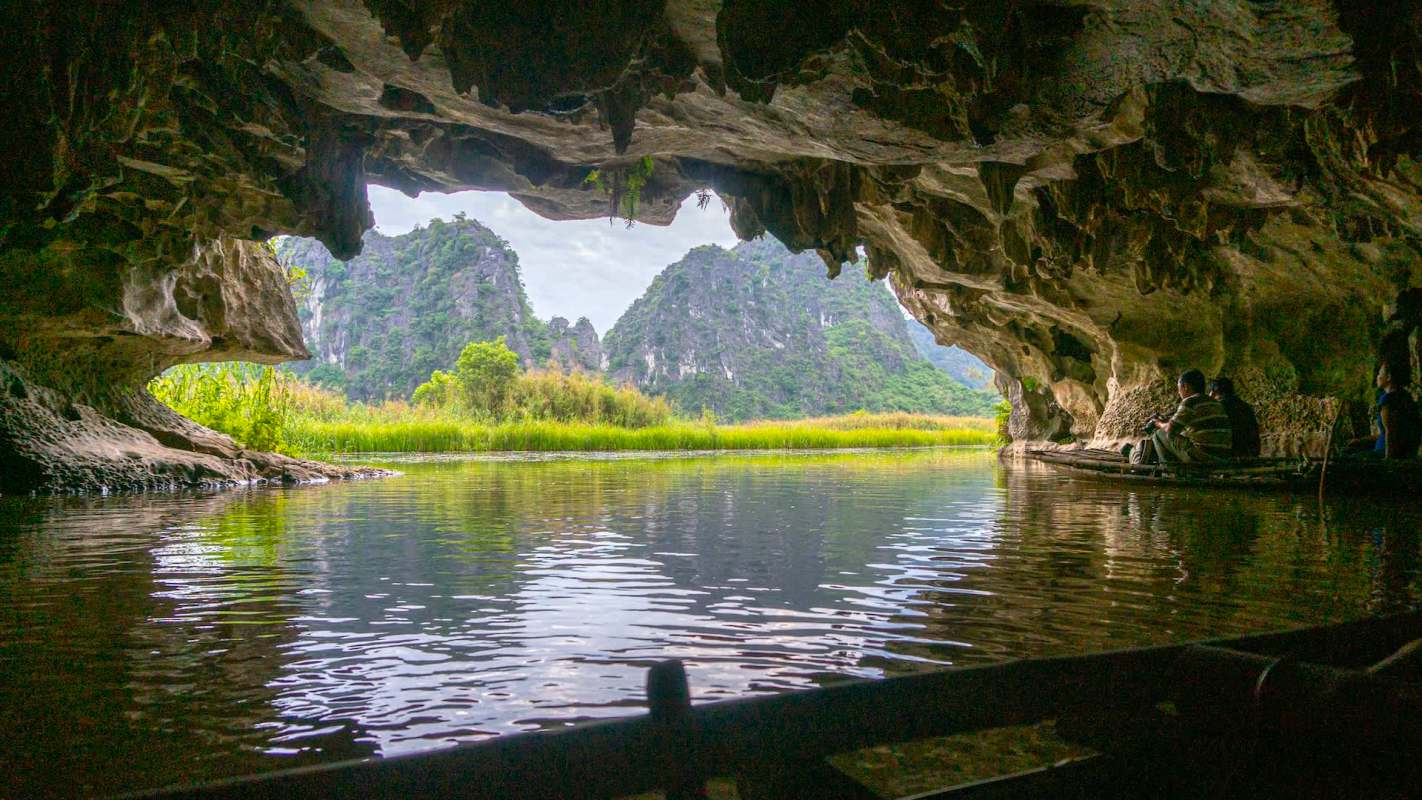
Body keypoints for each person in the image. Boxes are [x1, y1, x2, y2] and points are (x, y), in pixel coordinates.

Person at [1140, 369, 1234, 464]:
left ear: (1185, 386)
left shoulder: (1190, 401)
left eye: (1179, 388)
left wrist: (1158, 423)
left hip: (1203, 457)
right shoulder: (1215, 403)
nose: (1179, 392)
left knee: (1159, 434)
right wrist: (1168, 420)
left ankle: (1171, 472)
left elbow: (1170, 429)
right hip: (1222, 458)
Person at [1373, 356, 1420, 459]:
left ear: (1389, 377)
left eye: (1380, 373)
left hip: (1385, 453)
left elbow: (1391, 433)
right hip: (1406, 452)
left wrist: (1388, 461)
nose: (1377, 377)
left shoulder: (1387, 400)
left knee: (1345, 456)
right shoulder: (1405, 396)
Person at [1208, 376, 1261, 458]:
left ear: (1214, 391)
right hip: (1251, 453)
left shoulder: (1218, 407)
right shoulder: (1245, 406)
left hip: (1230, 455)